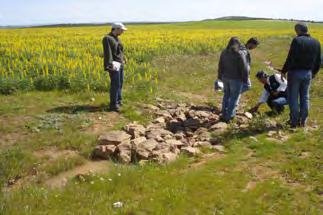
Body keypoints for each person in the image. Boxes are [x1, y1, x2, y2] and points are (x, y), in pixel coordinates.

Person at [280, 23, 321, 128]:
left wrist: (284, 71)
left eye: (295, 30)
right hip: (308, 73)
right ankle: (303, 121)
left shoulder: (297, 40)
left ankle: (294, 121)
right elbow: (319, 61)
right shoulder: (316, 42)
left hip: (295, 73)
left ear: (298, 30)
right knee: (305, 97)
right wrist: (314, 73)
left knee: (293, 97)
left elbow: (291, 57)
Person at [218, 37, 249, 123]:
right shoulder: (239, 53)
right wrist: (245, 79)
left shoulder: (224, 52)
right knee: (234, 98)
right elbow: (244, 68)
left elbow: (220, 65)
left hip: (225, 78)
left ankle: (223, 113)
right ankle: (228, 117)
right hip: (236, 79)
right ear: (238, 44)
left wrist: (219, 77)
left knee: (226, 96)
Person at [102, 23, 127, 112]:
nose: (123, 31)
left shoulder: (116, 38)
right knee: (115, 84)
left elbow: (120, 51)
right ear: (116, 29)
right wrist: (109, 65)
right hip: (114, 64)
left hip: (120, 63)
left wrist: (124, 58)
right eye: (122, 30)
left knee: (120, 83)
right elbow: (107, 53)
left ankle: (119, 101)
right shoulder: (107, 38)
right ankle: (113, 105)